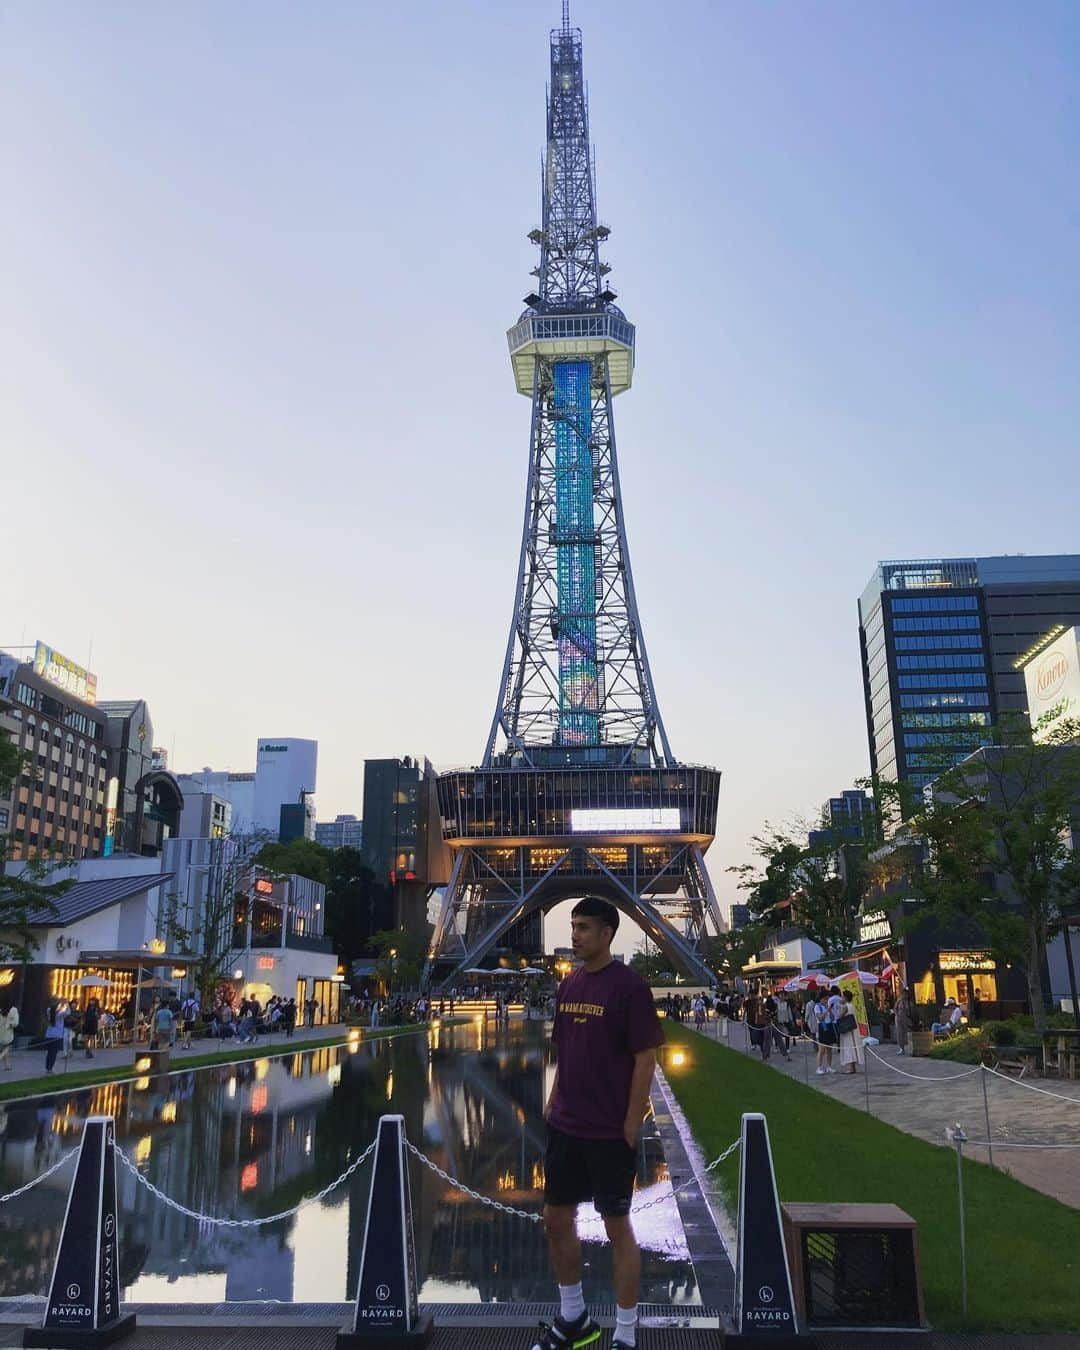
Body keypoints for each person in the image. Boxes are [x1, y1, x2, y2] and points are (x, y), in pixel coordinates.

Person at [536, 897, 664, 1350]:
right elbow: (564, 1049)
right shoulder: (568, 985)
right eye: (572, 926)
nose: (575, 935)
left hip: (609, 1131)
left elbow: (645, 1059)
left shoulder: (629, 988)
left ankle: (625, 1334)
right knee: (555, 1219)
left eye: (584, 927)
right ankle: (574, 1318)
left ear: (608, 932)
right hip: (567, 1126)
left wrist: (631, 1124)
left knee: (616, 1228)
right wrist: (553, 1101)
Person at [837, 989, 862, 1074]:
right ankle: (853, 1067)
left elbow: (840, 1016)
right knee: (853, 1046)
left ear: (845, 997)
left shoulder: (845, 1006)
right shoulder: (851, 1005)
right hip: (852, 1029)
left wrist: (840, 1008)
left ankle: (850, 1068)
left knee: (848, 1046)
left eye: (842, 996)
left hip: (847, 1029)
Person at [814, 994, 836, 1074]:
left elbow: (833, 1017)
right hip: (822, 1027)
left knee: (829, 1048)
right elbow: (820, 1017)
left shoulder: (827, 1006)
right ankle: (819, 1067)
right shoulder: (817, 1006)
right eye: (824, 999)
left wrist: (829, 1010)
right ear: (820, 999)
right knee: (822, 1049)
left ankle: (829, 1066)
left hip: (829, 1026)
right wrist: (826, 1010)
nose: (826, 1001)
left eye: (827, 999)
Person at [43, 1002, 67, 1074]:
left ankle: (48, 1067)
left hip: (49, 1035)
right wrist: (66, 1005)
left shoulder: (49, 1011)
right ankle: (50, 1068)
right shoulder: (59, 1014)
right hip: (57, 1036)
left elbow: (50, 1009)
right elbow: (67, 1012)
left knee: (50, 1052)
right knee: (53, 1053)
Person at [894, 988, 912, 1056]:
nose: (905, 995)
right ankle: (901, 1048)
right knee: (900, 1033)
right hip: (899, 1019)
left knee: (908, 1033)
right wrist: (897, 1015)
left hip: (906, 1019)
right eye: (904, 994)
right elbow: (895, 1008)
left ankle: (909, 1047)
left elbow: (910, 1011)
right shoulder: (899, 1000)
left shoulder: (909, 1002)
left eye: (906, 994)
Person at [0, 1001, 18, 1070]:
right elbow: (15, 1023)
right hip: (8, 1033)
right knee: (8, 1047)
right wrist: (9, 1024)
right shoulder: (13, 1009)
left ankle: (7, 1065)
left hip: (1, 1032)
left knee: (4, 1047)